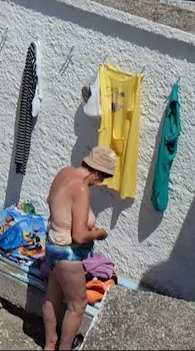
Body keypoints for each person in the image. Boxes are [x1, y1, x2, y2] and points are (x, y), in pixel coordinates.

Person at [43, 146, 117, 351]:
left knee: (52, 296)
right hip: (68, 253)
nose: (100, 183)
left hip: (51, 244)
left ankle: (50, 344)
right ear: (96, 172)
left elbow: (52, 202)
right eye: (102, 178)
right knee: (77, 305)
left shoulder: (64, 172)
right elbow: (79, 236)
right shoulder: (82, 188)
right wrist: (99, 233)